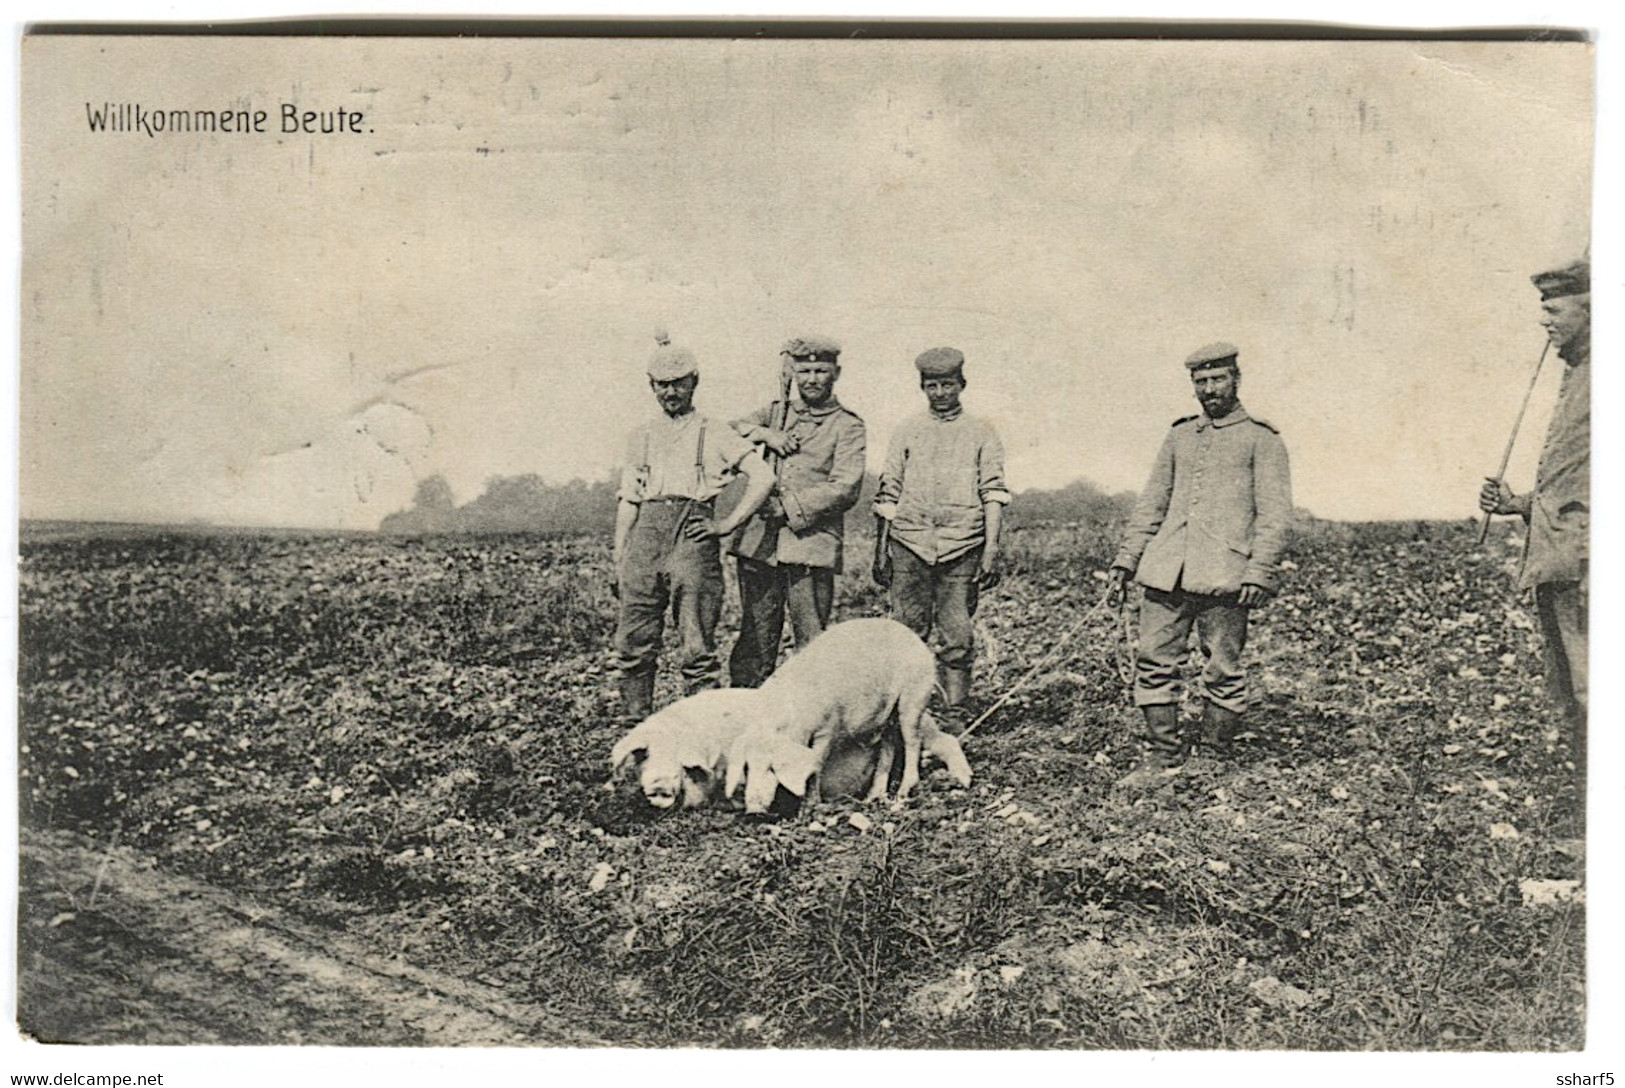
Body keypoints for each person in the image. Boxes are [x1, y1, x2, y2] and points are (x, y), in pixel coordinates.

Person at [1107, 341, 1293, 775]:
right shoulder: (1179, 436)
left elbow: (1276, 515)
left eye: (1217, 379)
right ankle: (1162, 754)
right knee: (1153, 659)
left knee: (1223, 668)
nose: (1210, 389)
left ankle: (1212, 756)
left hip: (1226, 577)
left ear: (1236, 380)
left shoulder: (1261, 440)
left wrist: (1259, 571)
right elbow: (1152, 503)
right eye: (1201, 381)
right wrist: (1126, 560)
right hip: (1165, 573)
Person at [612, 343, 774, 722]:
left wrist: (727, 524)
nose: (671, 392)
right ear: (651, 386)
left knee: (696, 640)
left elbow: (762, 476)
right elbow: (629, 499)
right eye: (662, 385)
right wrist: (620, 553)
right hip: (645, 537)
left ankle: (700, 724)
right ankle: (636, 719)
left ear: (694, 382)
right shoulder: (641, 436)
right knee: (633, 637)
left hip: (693, 533)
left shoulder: (714, 432)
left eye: (679, 384)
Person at [1478, 257, 1589, 776]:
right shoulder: (1578, 375)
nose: (1545, 321)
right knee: (1568, 683)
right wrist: (1517, 503)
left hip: (1586, 562)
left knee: (1594, 683)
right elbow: (1570, 479)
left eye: (1555, 309)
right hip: (1560, 556)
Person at [872, 346, 1010, 730]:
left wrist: (991, 551)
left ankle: (954, 714)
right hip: (909, 543)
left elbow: (993, 493)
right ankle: (904, 713)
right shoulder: (907, 430)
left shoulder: (981, 432)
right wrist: (881, 550)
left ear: (961, 385)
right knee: (907, 633)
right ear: (922, 387)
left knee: (957, 634)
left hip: (962, 546)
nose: (940, 393)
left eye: (947, 384)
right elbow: (888, 493)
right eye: (932, 385)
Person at [727, 335, 867, 687]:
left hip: (810, 547)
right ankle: (749, 718)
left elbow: (845, 486)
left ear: (837, 373)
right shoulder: (775, 413)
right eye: (804, 371)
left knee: (812, 645)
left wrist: (788, 508)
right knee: (754, 644)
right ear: (793, 372)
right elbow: (726, 434)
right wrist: (765, 434)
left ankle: (812, 730)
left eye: (821, 370)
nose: (812, 379)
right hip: (760, 547)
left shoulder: (848, 426)